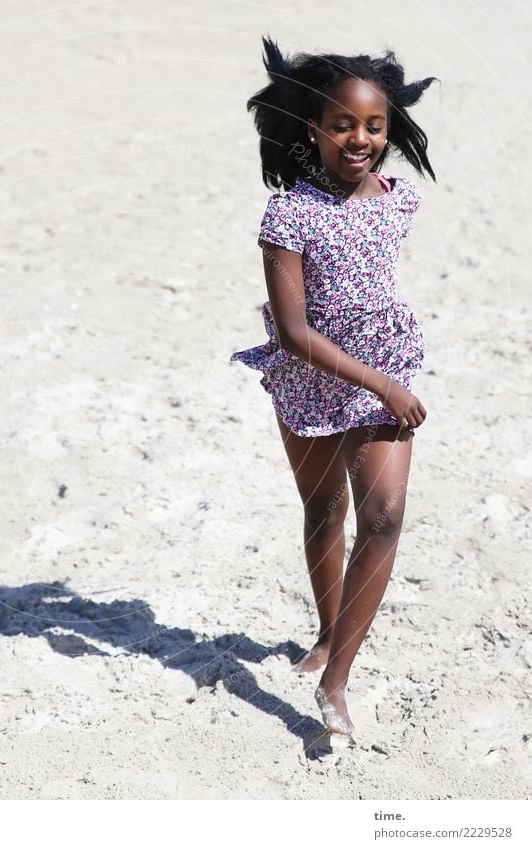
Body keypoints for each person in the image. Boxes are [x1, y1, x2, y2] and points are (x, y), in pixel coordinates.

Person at [230, 36, 438, 736]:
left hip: (387, 363)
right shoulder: (287, 214)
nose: (360, 139)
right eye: (343, 125)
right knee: (326, 509)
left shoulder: (400, 199)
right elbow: (293, 332)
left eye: (375, 126)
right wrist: (378, 383)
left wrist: (387, 380)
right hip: (314, 375)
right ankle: (326, 629)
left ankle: (336, 678)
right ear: (313, 128)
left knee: (382, 514)